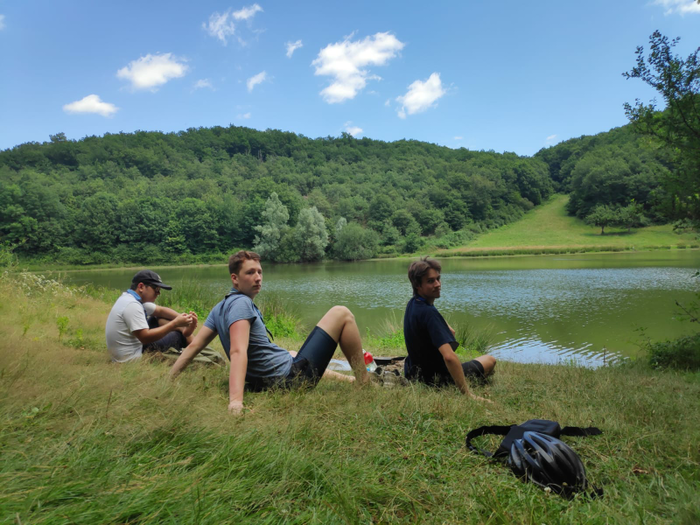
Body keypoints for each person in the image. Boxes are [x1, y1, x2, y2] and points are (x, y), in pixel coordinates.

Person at [170, 250, 371, 415]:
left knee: (290, 353)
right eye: (250, 273)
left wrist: (170, 378)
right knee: (341, 313)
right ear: (235, 278)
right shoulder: (241, 304)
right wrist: (235, 402)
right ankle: (364, 383)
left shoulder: (220, 307)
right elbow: (238, 352)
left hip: (266, 380)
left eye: (260, 272)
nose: (257, 278)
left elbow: (194, 346)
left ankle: (350, 380)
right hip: (289, 380)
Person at [403, 257, 496, 402]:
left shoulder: (413, 304)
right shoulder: (429, 313)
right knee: (490, 360)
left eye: (438, 279)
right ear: (418, 285)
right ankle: (464, 387)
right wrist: (468, 395)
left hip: (414, 374)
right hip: (436, 379)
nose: (438, 284)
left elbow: (450, 332)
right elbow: (449, 357)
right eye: (430, 281)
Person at [106, 269, 197, 363]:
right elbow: (145, 338)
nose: (158, 293)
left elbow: (161, 311)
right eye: (156, 289)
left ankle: (184, 332)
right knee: (177, 336)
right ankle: (194, 347)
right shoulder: (132, 306)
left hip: (134, 346)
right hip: (132, 356)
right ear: (141, 286)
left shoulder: (129, 298)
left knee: (157, 318)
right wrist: (174, 324)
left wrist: (186, 319)